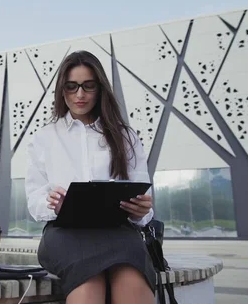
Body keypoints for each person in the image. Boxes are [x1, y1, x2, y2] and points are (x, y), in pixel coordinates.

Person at [25, 50, 156, 304]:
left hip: (118, 232)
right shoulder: (45, 138)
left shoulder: (125, 136)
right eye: (72, 87)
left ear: (100, 89)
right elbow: (34, 200)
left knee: (132, 280)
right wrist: (53, 203)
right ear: (62, 90)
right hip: (65, 232)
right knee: (88, 282)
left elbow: (144, 200)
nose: (80, 95)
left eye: (88, 86)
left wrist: (141, 210)